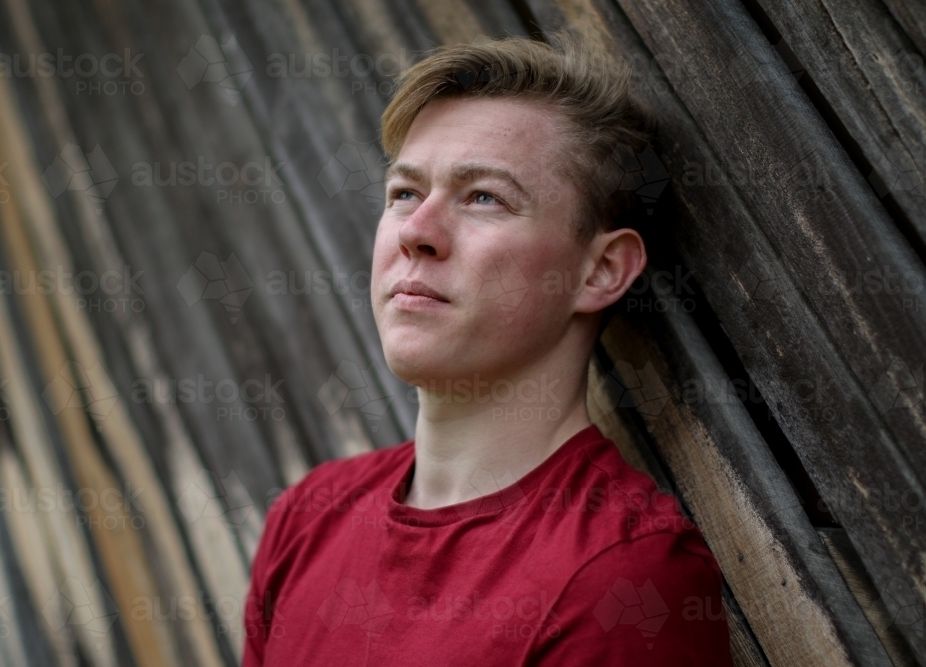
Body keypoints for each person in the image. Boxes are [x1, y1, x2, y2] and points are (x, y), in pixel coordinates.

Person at [243, 32, 732, 666]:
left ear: (601, 270)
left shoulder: (623, 577)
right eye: (405, 193)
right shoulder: (309, 517)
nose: (417, 232)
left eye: (484, 198)